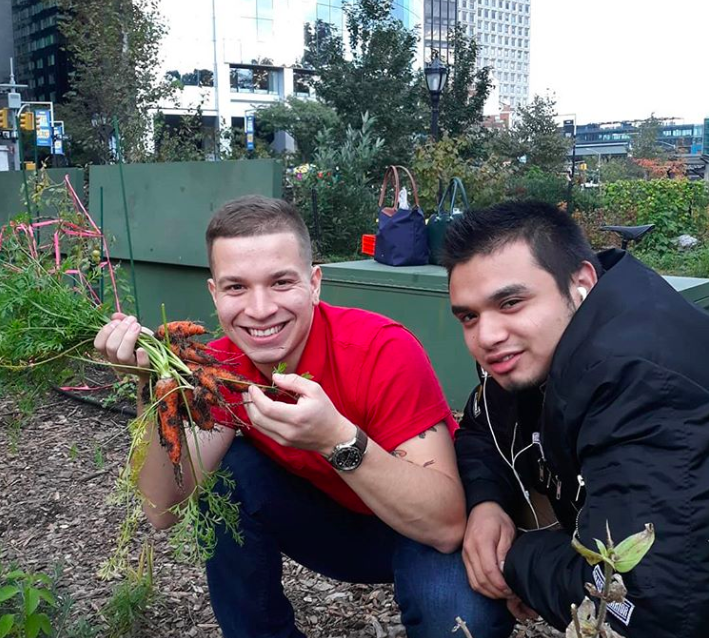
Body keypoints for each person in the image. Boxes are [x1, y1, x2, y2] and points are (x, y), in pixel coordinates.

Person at [94, 195, 513, 638]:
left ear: (314, 284)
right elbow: (163, 509)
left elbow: (446, 526)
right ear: (215, 294)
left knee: (465, 619)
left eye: (280, 282)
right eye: (237, 287)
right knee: (228, 476)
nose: (259, 310)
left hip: (418, 531)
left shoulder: (381, 351)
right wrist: (151, 388)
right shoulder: (220, 368)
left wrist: (335, 439)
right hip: (328, 529)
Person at [442, 199, 709, 638]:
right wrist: (487, 503)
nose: (486, 337)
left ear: (581, 281)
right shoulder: (546, 347)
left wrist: (516, 559)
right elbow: (480, 428)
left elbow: (643, 609)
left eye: (510, 302)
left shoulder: (638, 383)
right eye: (469, 316)